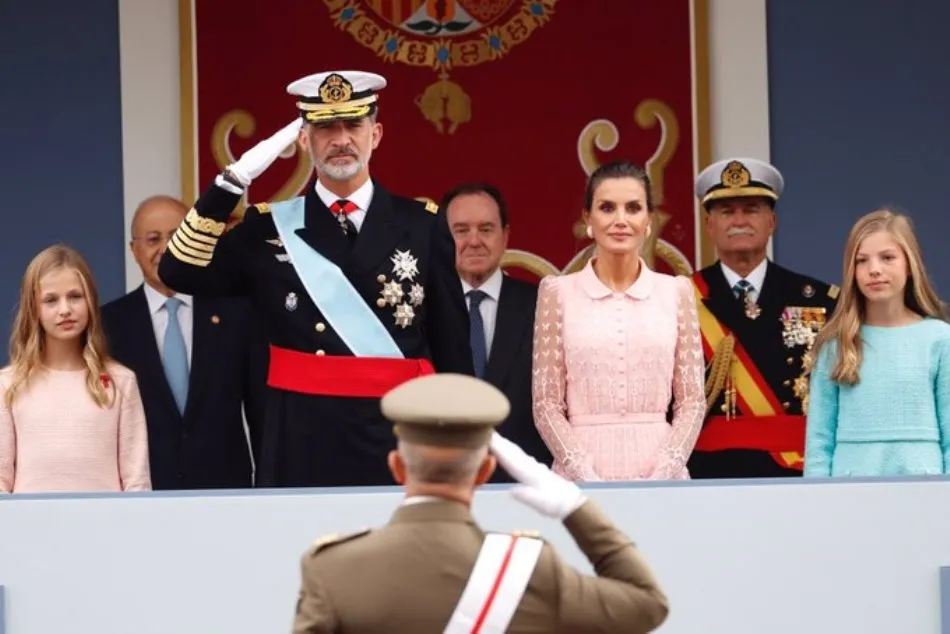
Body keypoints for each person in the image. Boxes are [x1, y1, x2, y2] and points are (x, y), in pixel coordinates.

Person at [157, 70, 473, 488]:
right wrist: (231, 183)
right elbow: (178, 271)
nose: (340, 139)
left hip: (400, 435)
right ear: (304, 140)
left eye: (353, 125)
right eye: (325, 127)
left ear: (375, 134)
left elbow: (452, 346)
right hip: (302, 436)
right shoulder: (267, 229)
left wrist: (463, 444)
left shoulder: (422, 225)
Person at [291, 373, 670, 633]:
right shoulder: (528, 570)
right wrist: (574, 506)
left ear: (397, 466)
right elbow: (647, 603)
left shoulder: (332, 569)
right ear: (486, 470)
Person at [532, 160, 706, 481]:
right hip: (581, 475)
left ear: (649, 220)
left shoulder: (676, 291)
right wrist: (584, 473)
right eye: (607, 208)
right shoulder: (558, 292)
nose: (621, 220)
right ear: (588, 218)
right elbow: (546, 404)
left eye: (634, 208)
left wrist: (664, 472)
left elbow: (692, 401)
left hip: (662, 475)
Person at [686, 157, 840, 479]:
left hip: (797, 471)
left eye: (751, 209)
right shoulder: (680, 298)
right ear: (709, 224)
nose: (739, 220)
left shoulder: (820, 299)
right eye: (727, 212)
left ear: (772, 222)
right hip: (707, 474)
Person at [102, 195, 269, 490]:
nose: (165, 249)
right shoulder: (108, 325)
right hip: (142, 496)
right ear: (134, 250)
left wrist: (269, 490)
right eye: (153, 239)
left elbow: (261, 413)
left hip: (226, 493)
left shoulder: (237, 313)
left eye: (177, 237)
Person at [805, 209, 950, 477]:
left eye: (887, 258)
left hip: (925, 496)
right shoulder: (836, 345)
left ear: (910, 265)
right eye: (862, 261)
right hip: (850, 497)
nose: (874, 269)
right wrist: (818, 503)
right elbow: (819, 442)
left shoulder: (940, 339)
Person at [0, 245, 151, 493]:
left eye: (75, 296)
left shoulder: (121, 381)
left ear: (90, 300)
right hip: (30, 528)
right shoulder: (9, 384)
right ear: (32, 309)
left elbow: (137, 480)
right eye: (50, 300)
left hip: (105, 527)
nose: (65, 310)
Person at [442, 181, 553, 480]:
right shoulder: (422, 311)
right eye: (461, 230)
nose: (474, 240)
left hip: (525, 481)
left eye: (486, 229)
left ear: (505, 236)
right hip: (446, 481)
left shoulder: (543, 305)